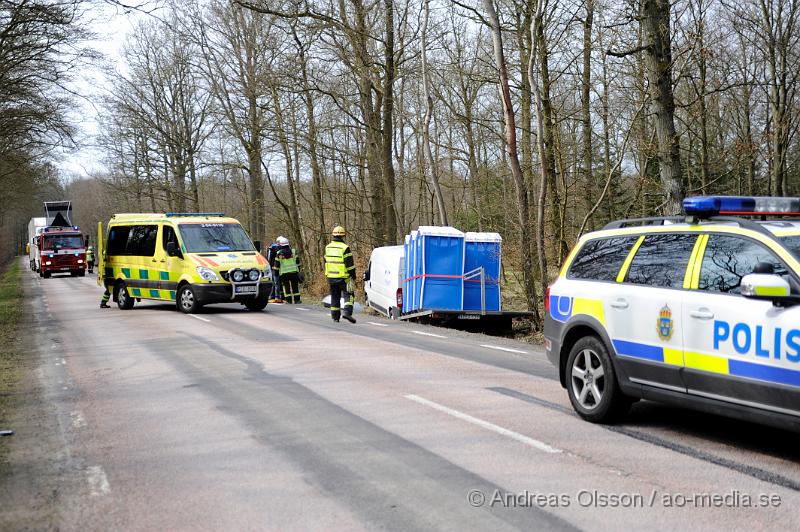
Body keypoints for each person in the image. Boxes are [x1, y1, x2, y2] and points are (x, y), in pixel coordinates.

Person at [324, 226, 356, 323]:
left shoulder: (327, 247)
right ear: (343, 236)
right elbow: (349, 264)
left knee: (335, 296)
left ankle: (335, 317)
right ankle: (347, 313)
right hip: (344, 278)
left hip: (331, 277)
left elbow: (325, 261)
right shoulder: (345, 248)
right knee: (349, 295)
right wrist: (353, 275)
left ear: (333, 235)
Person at [275, 237, 302, 304]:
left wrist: (276, 273)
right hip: (294, 272)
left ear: (280, 245)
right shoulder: (293, 251)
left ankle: (288, 300)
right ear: (288, 244)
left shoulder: (279, 253)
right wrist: (299, 271)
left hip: (284, 273)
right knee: (295, 287)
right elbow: (298, 262)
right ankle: (297, 300)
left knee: (286, 287)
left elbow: (276, 264)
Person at [266, 237, 284, 303]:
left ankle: (274, 296)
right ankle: (276, 296)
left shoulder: (272, 248)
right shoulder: (278, 248)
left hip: (273, 267)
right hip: (278, 267)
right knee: (277, 282)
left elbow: (269, 259)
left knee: (275, 282)